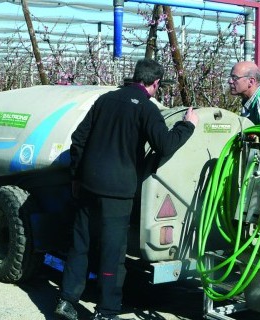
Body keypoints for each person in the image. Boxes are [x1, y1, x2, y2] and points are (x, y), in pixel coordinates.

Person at [55, 58, 199, 320]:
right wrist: (187, 125)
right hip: (118, 192)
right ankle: (107, 311)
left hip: (88, 185)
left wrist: (76, 177)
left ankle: (66, 301)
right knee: (112, 254)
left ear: (134, 77)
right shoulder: (146, 108)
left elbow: (78, 140)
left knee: (80, 245)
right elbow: (164, 145)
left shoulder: (104, 100)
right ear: (155, 83)